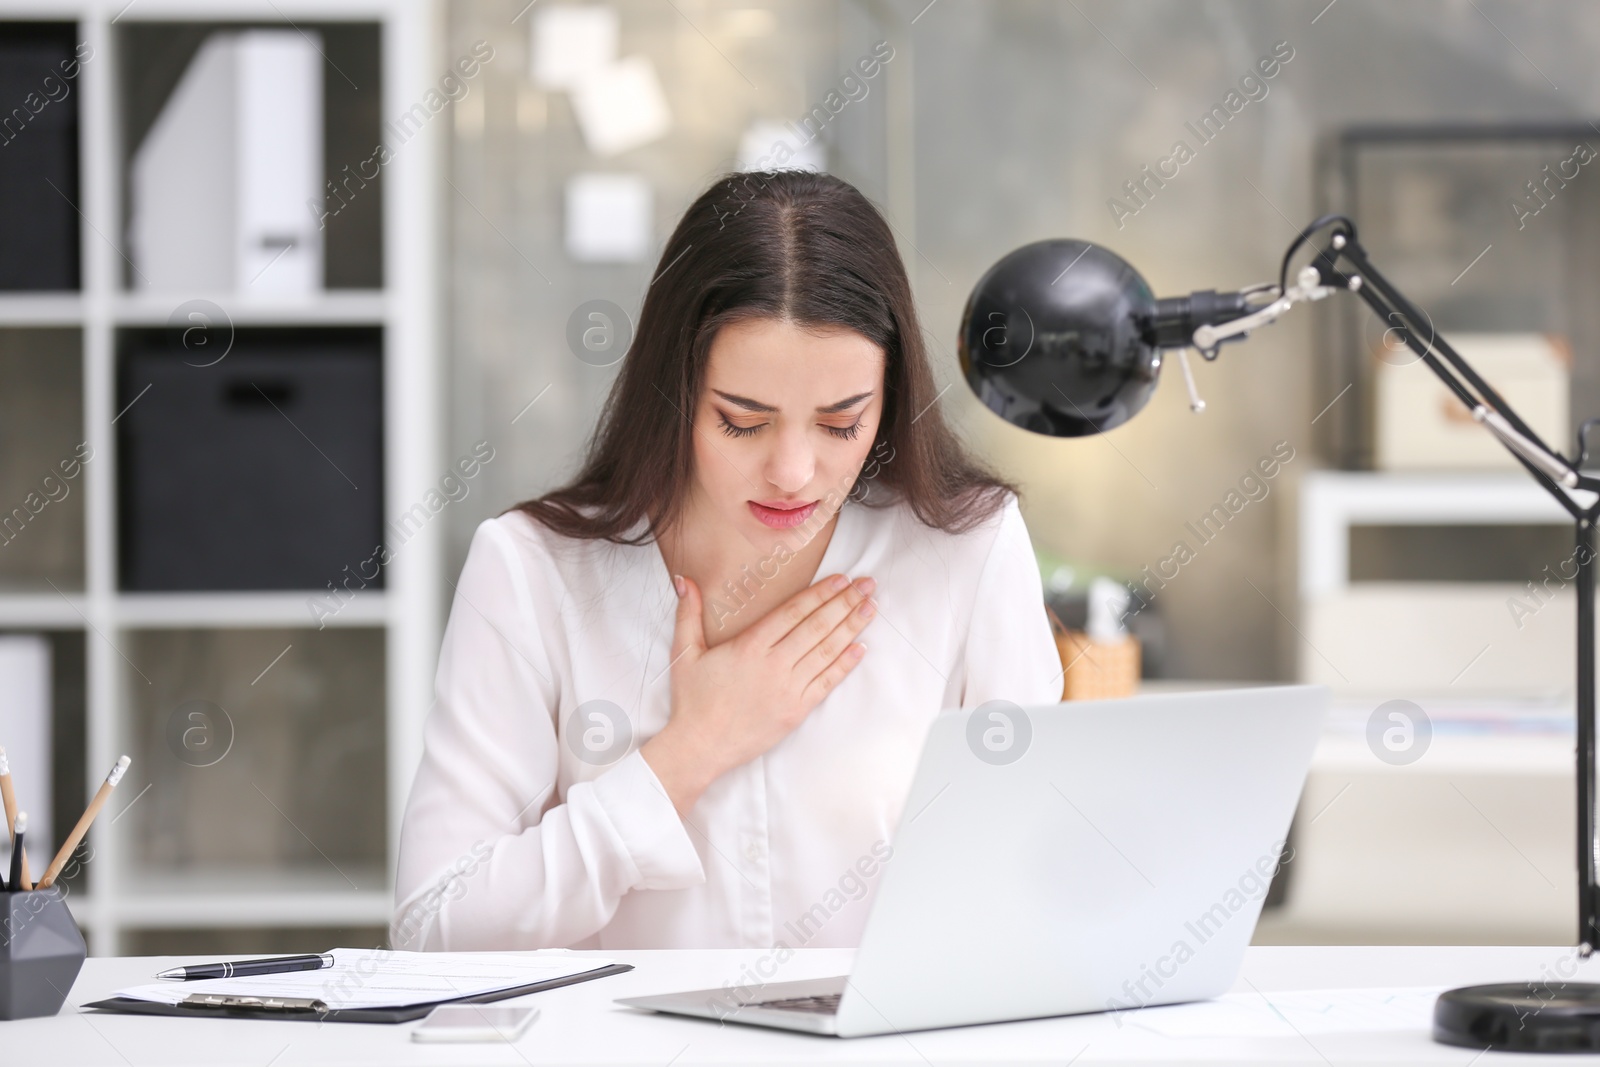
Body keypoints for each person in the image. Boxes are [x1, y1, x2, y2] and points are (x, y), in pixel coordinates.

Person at [392, 169, 1062, 952]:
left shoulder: (968, 551)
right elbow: (432, 927)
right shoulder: (532, 571)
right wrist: (691, 750)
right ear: (674, 390)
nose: (793, 471)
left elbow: (1029, 891)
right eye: (743, 422)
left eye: (841, 423)